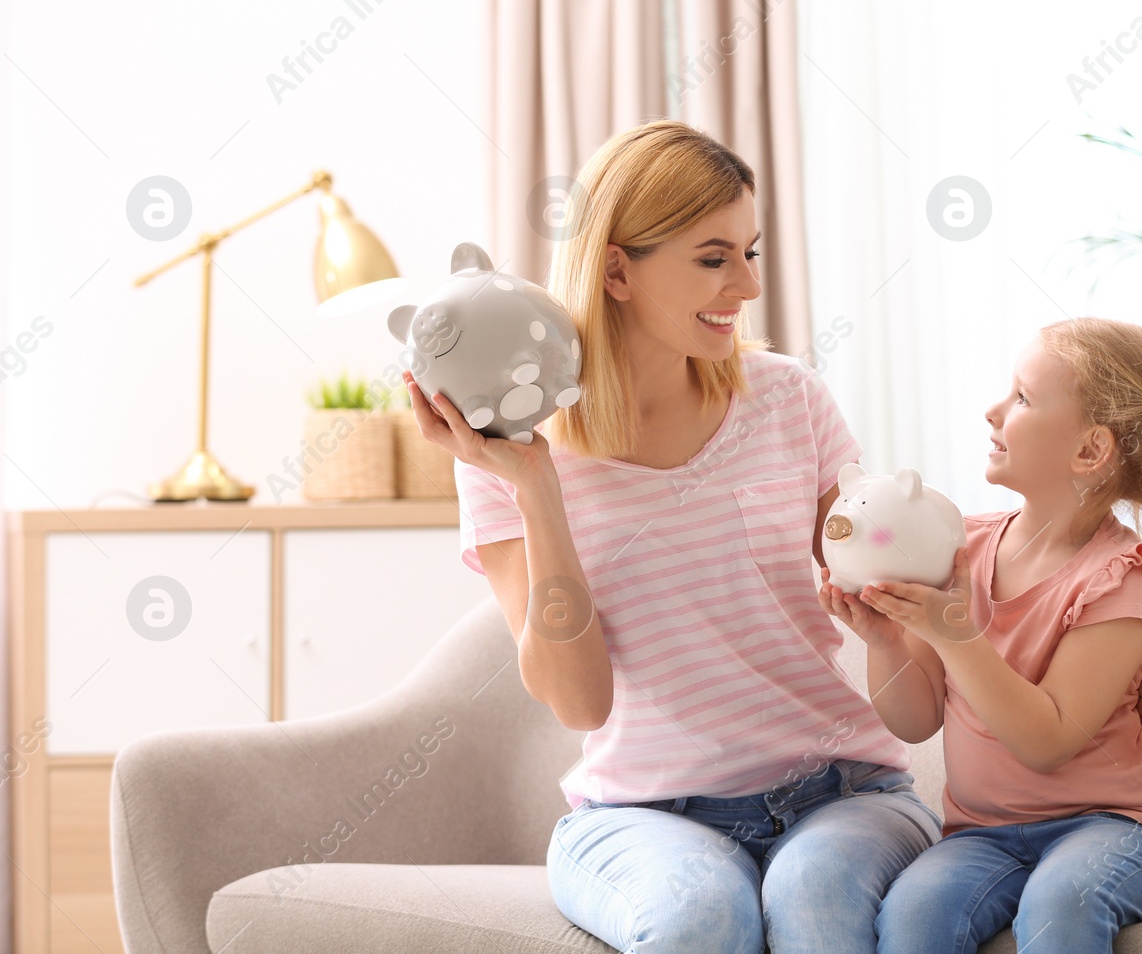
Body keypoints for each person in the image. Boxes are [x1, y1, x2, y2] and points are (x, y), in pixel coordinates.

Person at [403, 119, 941, 954]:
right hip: (643, 817)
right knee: (698, 919)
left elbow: (899, 645)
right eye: (714, 257)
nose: (747, 285)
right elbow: (580, 702)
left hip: (845, 794)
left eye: (750, 253)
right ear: (616, 267)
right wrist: (540, 491)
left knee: (816, 899)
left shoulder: (787, 399)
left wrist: (921, 599)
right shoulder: (506, 455)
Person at [822, 317, 1142, 954]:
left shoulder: (1120, 579)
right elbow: (915, 721)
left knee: (1062, 905)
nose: (993, 409)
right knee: (913, 918)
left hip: (1117, 830)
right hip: (982, 835)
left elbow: (1047, 741)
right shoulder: (960, 547)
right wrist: (887, 642)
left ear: (1090, 451)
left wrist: (957, 637)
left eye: (1022, 398)